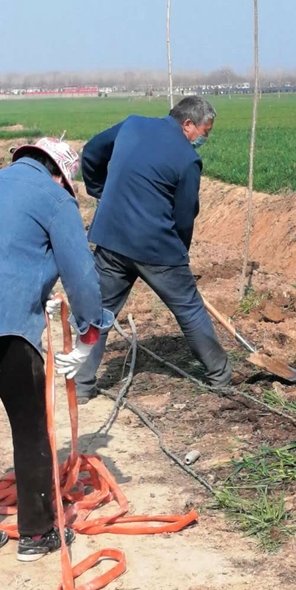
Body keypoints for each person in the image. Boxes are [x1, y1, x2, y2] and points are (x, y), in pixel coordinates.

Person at [0, 138, 113, 561]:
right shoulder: (55, 199)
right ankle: (37, 533)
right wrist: (90, 334)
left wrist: (37, 288)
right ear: (60, 175)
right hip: (5, 323)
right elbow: (81, 275)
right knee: (31, 425)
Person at [75, 95, 232, 403]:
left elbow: (91, 152)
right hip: (157, 247)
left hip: (111, 239)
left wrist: (100, 191)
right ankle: (220, 375)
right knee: (188, 308)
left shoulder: (132, 125)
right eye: (204, 131)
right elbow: (185, 215)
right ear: (187, 124)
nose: (205, 138)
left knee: (99, 311)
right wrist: (179, 254)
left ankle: (81, 385)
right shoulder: (188, 160)